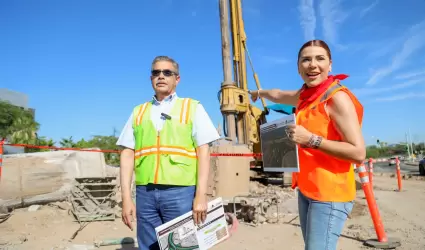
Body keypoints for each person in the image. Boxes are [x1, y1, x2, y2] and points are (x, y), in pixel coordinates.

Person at [249, 40, 365, 250]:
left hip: (330, 193)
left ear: (330, 65)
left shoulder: (336, 98)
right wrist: (259, 93)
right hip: (307, 189)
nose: (312, 64)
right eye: (306, 59)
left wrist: (311, 139)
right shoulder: (307, 96)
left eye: (320, 58)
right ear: (298, 67)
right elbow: (278, 94)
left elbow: (358, 152)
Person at [116, 55, 220, 250]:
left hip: (180, 192)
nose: (161, 76)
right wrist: (126, 198)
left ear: (177, 79)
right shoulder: (138, 111)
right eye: (156, 72)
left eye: (167, 72)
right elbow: (127, 153)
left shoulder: (192, 107)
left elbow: (203, 151)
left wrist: (201, 195)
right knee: (149, 246)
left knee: (182, 246)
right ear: (150, 78)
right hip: (145, 193)